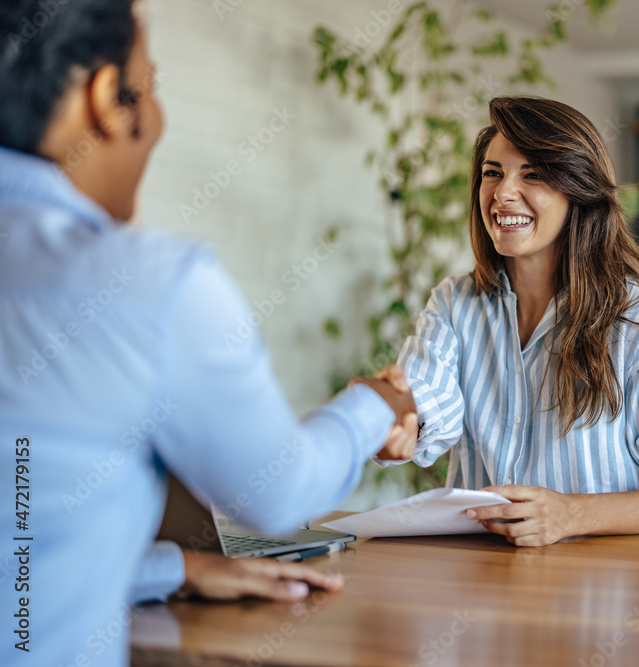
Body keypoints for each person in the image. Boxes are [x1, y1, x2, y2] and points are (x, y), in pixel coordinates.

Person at [0, 2, 415, 666]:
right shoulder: (149, 284)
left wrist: (172, 570)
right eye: (151, 84)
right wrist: (378, 404)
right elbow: (278, 491)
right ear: (109, 99)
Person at [390, 96, 639, 546]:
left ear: (578, 191)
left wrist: (571, 515)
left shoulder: (632, 317)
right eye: (492, 173)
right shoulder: (454, 304)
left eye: (532, 174)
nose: (503, 193)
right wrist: (390, 420)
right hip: (493, 581)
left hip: (611, 593)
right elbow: (423, 397)